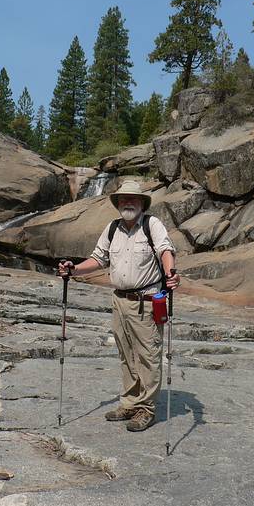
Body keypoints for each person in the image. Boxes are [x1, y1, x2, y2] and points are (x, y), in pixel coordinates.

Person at [58, 180, 180, 432]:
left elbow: (166, 250)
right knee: (126, 355)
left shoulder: (151, 225)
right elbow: (97, 258)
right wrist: (74, 270)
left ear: (142, 203)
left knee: (148, 356)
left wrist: (170, 273)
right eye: (124, 199)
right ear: (118, 203)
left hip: (146, 302)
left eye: (133, 199)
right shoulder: (112, 228)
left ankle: (146, 409)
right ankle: (129, 402)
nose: (128, 202)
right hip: (119, 301)